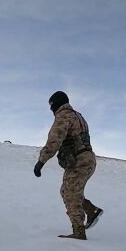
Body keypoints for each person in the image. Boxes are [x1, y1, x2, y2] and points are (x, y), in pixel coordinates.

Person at [33, 91, 103, 240]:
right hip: (88, 159)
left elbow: (54, 141)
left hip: (79, 161)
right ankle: (91, 210)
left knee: (70, 194)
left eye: (51, 106)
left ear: (55, 104)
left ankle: (79, 232)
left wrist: (41, 162)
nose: (51, 110)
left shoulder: (63, 116)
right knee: (68, 191)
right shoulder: (79, 116)